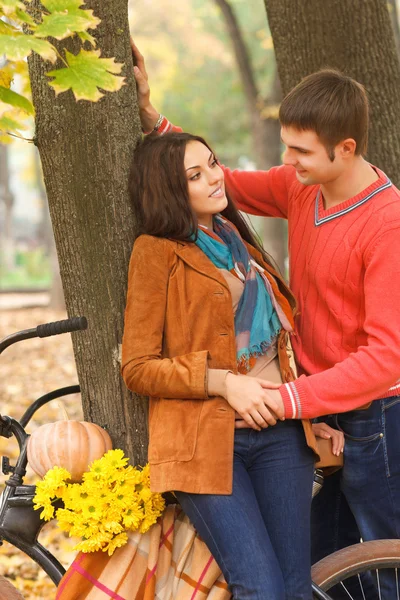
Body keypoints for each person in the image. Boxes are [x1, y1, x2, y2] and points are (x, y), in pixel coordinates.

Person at [131, 41, 400, 599]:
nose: (288, 162)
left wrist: (288, 401)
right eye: (286, 148)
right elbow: (214, 182)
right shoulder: (302, 187)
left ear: (344, 149)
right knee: (322, 568)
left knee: (383, 562)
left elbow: (386, 358)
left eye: (300, 150)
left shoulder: (387, 225)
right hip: (311, 411)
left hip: (375, 414)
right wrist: (152, 116)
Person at [121, 131, 322, 599]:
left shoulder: (238, 243)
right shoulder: (156, 251)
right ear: (170, 190)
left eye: (213, 163)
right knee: (261, 587)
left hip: (281, 432)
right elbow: (137, 366)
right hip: (209, 444)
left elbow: (281, 344)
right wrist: (224, 384)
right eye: (196, 175)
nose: (215, 178)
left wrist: (315, 412)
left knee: (295, 588)